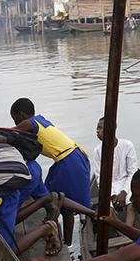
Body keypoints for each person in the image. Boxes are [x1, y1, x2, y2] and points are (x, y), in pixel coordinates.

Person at [9, 98, 91, 247]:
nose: (16, 123)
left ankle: (67, 244)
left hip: (68, 160)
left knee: (63, 200)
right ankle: (56, 227)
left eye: (15, 119)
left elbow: (8, 135)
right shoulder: (40, 120)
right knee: (50, 192)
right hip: (72, 155)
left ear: (21, 115)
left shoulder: (29, 123)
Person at [91, 117, 138, 225]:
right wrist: (112, 196)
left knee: (132, 206)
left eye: (100, 128)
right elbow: (100, 179)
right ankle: (121, 231)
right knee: (108, 211)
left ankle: (128, 229)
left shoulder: (127, 145)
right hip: (109, 187)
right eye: (97, 128)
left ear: (111, 129)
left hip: (128, 182)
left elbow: (132, 172)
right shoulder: (97, 151)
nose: (97, 131)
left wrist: (123, 192)